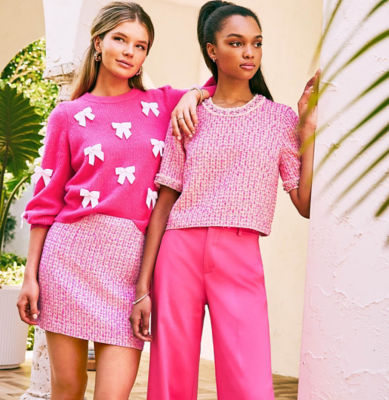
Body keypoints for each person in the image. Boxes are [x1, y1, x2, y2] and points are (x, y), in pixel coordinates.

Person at [16, 2, 214, 399]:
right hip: (69, 258)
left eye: (140, 46)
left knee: (114, 393)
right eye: (120, 39)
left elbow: (217, 87)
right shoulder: (68, 115)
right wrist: (30, 276)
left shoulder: (160, 103)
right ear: (98, 43)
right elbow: (45, 202)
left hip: (128, 266)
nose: (129, 51)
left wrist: (193, 93)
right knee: (67, 389)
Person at [130, 1, 318, 399]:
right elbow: (164, 202)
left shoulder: (279, 118)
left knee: (249, 380)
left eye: (256, 43)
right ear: (212, 50)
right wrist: (143, 286)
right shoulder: (189, 115)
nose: (249, 52)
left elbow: (305, 202)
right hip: (178, 250)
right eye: (236, 43)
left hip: (240, 251)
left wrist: (309, 126)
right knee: (169, 378)